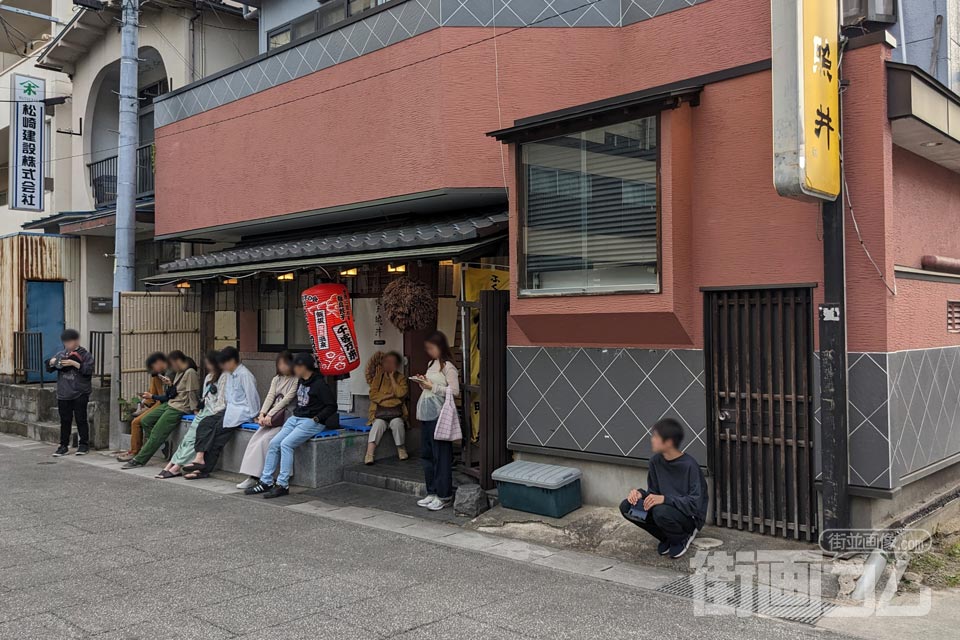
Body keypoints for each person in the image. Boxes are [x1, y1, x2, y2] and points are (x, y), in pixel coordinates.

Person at [244, 353, 337, 499]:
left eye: (295, 367)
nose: (293, 369)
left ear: (302, 367)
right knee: (274, 443)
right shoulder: (300, 380)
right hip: (296, 418)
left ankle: (283, 484)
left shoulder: (319, 384)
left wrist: (317, 419)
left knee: (286, 444)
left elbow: (331, 406)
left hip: (310, 421)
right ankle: (266, 481)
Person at [619, 418, 708, 559]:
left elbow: (695, 505)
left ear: (669, 442)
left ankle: (682, 537)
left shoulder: (690, 465)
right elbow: (653, 493)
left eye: (655, 437)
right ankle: (666, 537)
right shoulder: (655, 461)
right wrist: (640, 494)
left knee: (660, 511)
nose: (652, 439)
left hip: (688, 518)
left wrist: (664, 499)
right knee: (627, 506)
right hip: (664, 511)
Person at [183, 347, 260, 480]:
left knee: (217, 436)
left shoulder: (244, 375)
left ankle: (203, 470)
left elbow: (252, 397)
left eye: (223, 363)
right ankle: (199, 457)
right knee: (205, 423)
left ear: (231, 361)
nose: (222, 366)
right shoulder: (230, 374)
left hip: (241, 413)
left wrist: (254, 416)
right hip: (229, 410)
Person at [121, 351, 200, 469]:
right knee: (145, 420)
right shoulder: (179, 372)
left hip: (180, 407)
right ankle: (163, 445)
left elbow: (192, 393)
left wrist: (195, 411)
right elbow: (174, 392)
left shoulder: (190, 372)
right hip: (171, 403)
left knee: (157, 432)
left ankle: (140, 459)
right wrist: (170, 384)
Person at [155, 351, 225, 479]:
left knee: (194, 438)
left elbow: (221, 401)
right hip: (205, 409)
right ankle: (172, 463)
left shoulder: (224, 377)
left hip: (214, 411)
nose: (208, 366)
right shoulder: (209, 377)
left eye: (210, 363)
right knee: (187, 438)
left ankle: (177, 466)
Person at [411, 332, 459, 511]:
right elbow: (430, 387)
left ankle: (444, 494)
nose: (429, 351)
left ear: (441, 347)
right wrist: (423, 383)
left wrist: (433, 387)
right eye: (428, 348)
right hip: (426, 414)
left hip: (440, 416)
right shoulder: (431, 364)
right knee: (427, 455)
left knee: (441, 456)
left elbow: (454, 391)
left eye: (432, 347)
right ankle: (431, 491)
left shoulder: (448, 367)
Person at [236, 351, 298, 489]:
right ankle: (251, 475)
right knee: (255, 439)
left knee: (266, 441)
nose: (282, 367)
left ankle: (259, 476)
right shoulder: (276, 379)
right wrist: (262, 414)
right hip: (273, 417)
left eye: (285, 363)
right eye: (280, 364)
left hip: (286, 418)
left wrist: (269, 415)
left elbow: (287, 400)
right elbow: (270, 397)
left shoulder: (296, 379)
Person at [47, 329, 95, 457]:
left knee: (81, 419)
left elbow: (89, 370)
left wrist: (75, 363)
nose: (67, 345)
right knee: (65, 420)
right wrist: (52, 362)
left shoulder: (85, 354)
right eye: (65, 342)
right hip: (63, 393)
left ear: (76, 341)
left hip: (80, 392)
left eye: (70, 342)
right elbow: (49, 368)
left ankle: (83, 445)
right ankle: (63, 446)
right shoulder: (61, 354)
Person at [117, 352, 169, 462]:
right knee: (136, 421)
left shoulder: (170, 374)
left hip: (166, 403)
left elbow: (166, 396)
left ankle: (137, 450)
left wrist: (151, 397)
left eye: (153, 366)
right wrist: (145, 401)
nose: (152, 370)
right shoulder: (156, 376)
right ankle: (135, 450)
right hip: (158, 403)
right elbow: (153, 394)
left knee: (137, 422)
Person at [365, 351, 409, 465]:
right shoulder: (378, 378)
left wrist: (392, 378)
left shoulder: (401, 378)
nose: (388, 364)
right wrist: (388, 396)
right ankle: (369, 454)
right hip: (379, 412)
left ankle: (401, 449)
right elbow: (372, 395)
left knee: (397, 424)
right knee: (378, 425)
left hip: (396, 413)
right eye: (386, 362)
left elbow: (401, 393)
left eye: (391, 362)